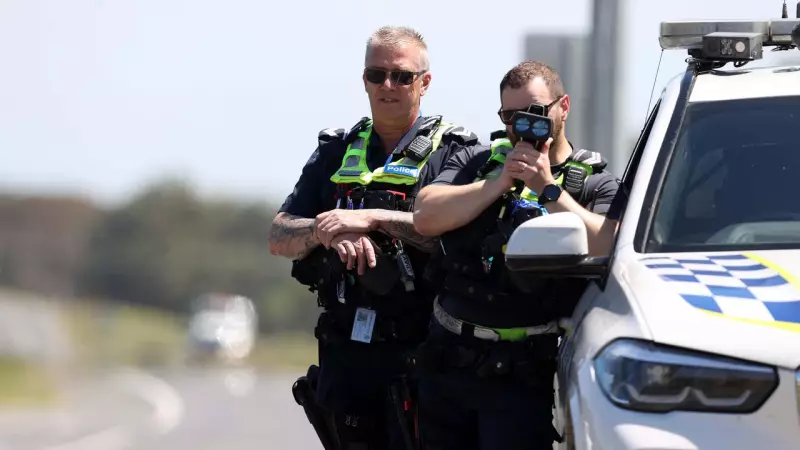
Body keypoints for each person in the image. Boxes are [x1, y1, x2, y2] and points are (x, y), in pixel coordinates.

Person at [269, 26, 480, 450]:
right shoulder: (335, 150)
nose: (388, 86)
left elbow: (450, 241)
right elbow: (278, 234)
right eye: (375, 74)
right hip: (346, 349)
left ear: (425, 82)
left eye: (402, 76)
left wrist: (372, 222)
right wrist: (323, 232)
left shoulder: (455, 153)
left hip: (425, 349)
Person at [410, 60, 625, 450]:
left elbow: (610, 243)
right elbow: (425, 215)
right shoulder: (477, 162)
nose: (519, 125)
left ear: (563, 107)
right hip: (448, 363)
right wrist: (498, 183)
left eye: (533, 113)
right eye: (509, 115)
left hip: (522, 372)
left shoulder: (593, 182)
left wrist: (548, 189)